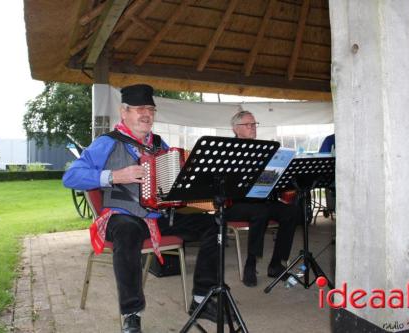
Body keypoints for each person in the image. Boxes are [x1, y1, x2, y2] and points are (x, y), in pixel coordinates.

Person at [63, 84, 220, 333]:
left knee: (212, 225)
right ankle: (131, 314)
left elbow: (172, 177)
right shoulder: (107, 143)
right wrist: (114, 176)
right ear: (124, 112)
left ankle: (201, 299)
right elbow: (71, 176)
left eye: (150, 109)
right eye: (139, 109)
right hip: (123, 216)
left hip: (157, 216)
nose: (146, 114)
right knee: (127, 231)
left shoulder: (160, 144)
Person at [225, 110, 300, 287]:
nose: (253, 128)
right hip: (235, 204)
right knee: (261, 211)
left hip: (262, 200)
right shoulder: (228, 149)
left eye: (254, 124)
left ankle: (276, 264)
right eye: (248, 125)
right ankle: (251, 264)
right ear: (236, 129)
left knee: (292, 211)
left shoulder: (264, 149)